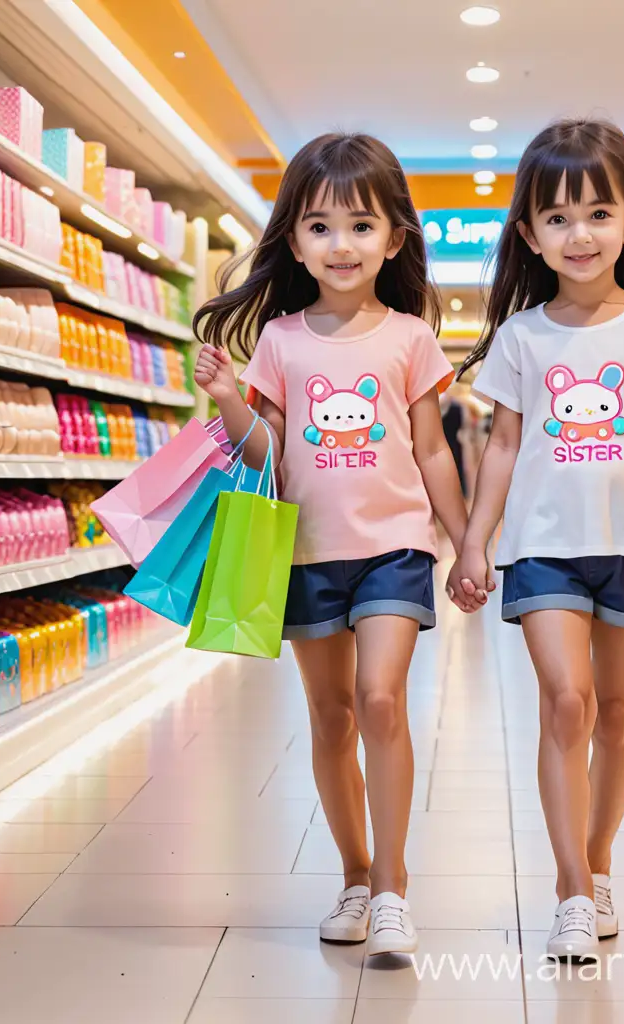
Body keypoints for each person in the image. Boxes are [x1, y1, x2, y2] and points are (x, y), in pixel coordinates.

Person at [193, 132, 471, 956]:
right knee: (330, 716)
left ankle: (392, 886)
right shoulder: (280, 340)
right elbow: (266, 455)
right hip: (307, 553)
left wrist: (467, 544)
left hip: (395, 548)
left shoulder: (410, 337)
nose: (340, 245)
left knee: (381, 699)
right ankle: (354, 875)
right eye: (319, 227)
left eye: (360, 226)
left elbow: (431, 451)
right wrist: (226, 400)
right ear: (293, 240)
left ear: (395, 237)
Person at [449, 118, 624, 958]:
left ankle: (599, 864)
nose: (580, 233)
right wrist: (474, 542)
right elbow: (501, 445)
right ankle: (568, 888)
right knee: (569, 701)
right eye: (557, 218)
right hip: (544, 547)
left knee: (621, 715)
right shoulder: (523, 335)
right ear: (528, 233)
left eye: (599, 213)